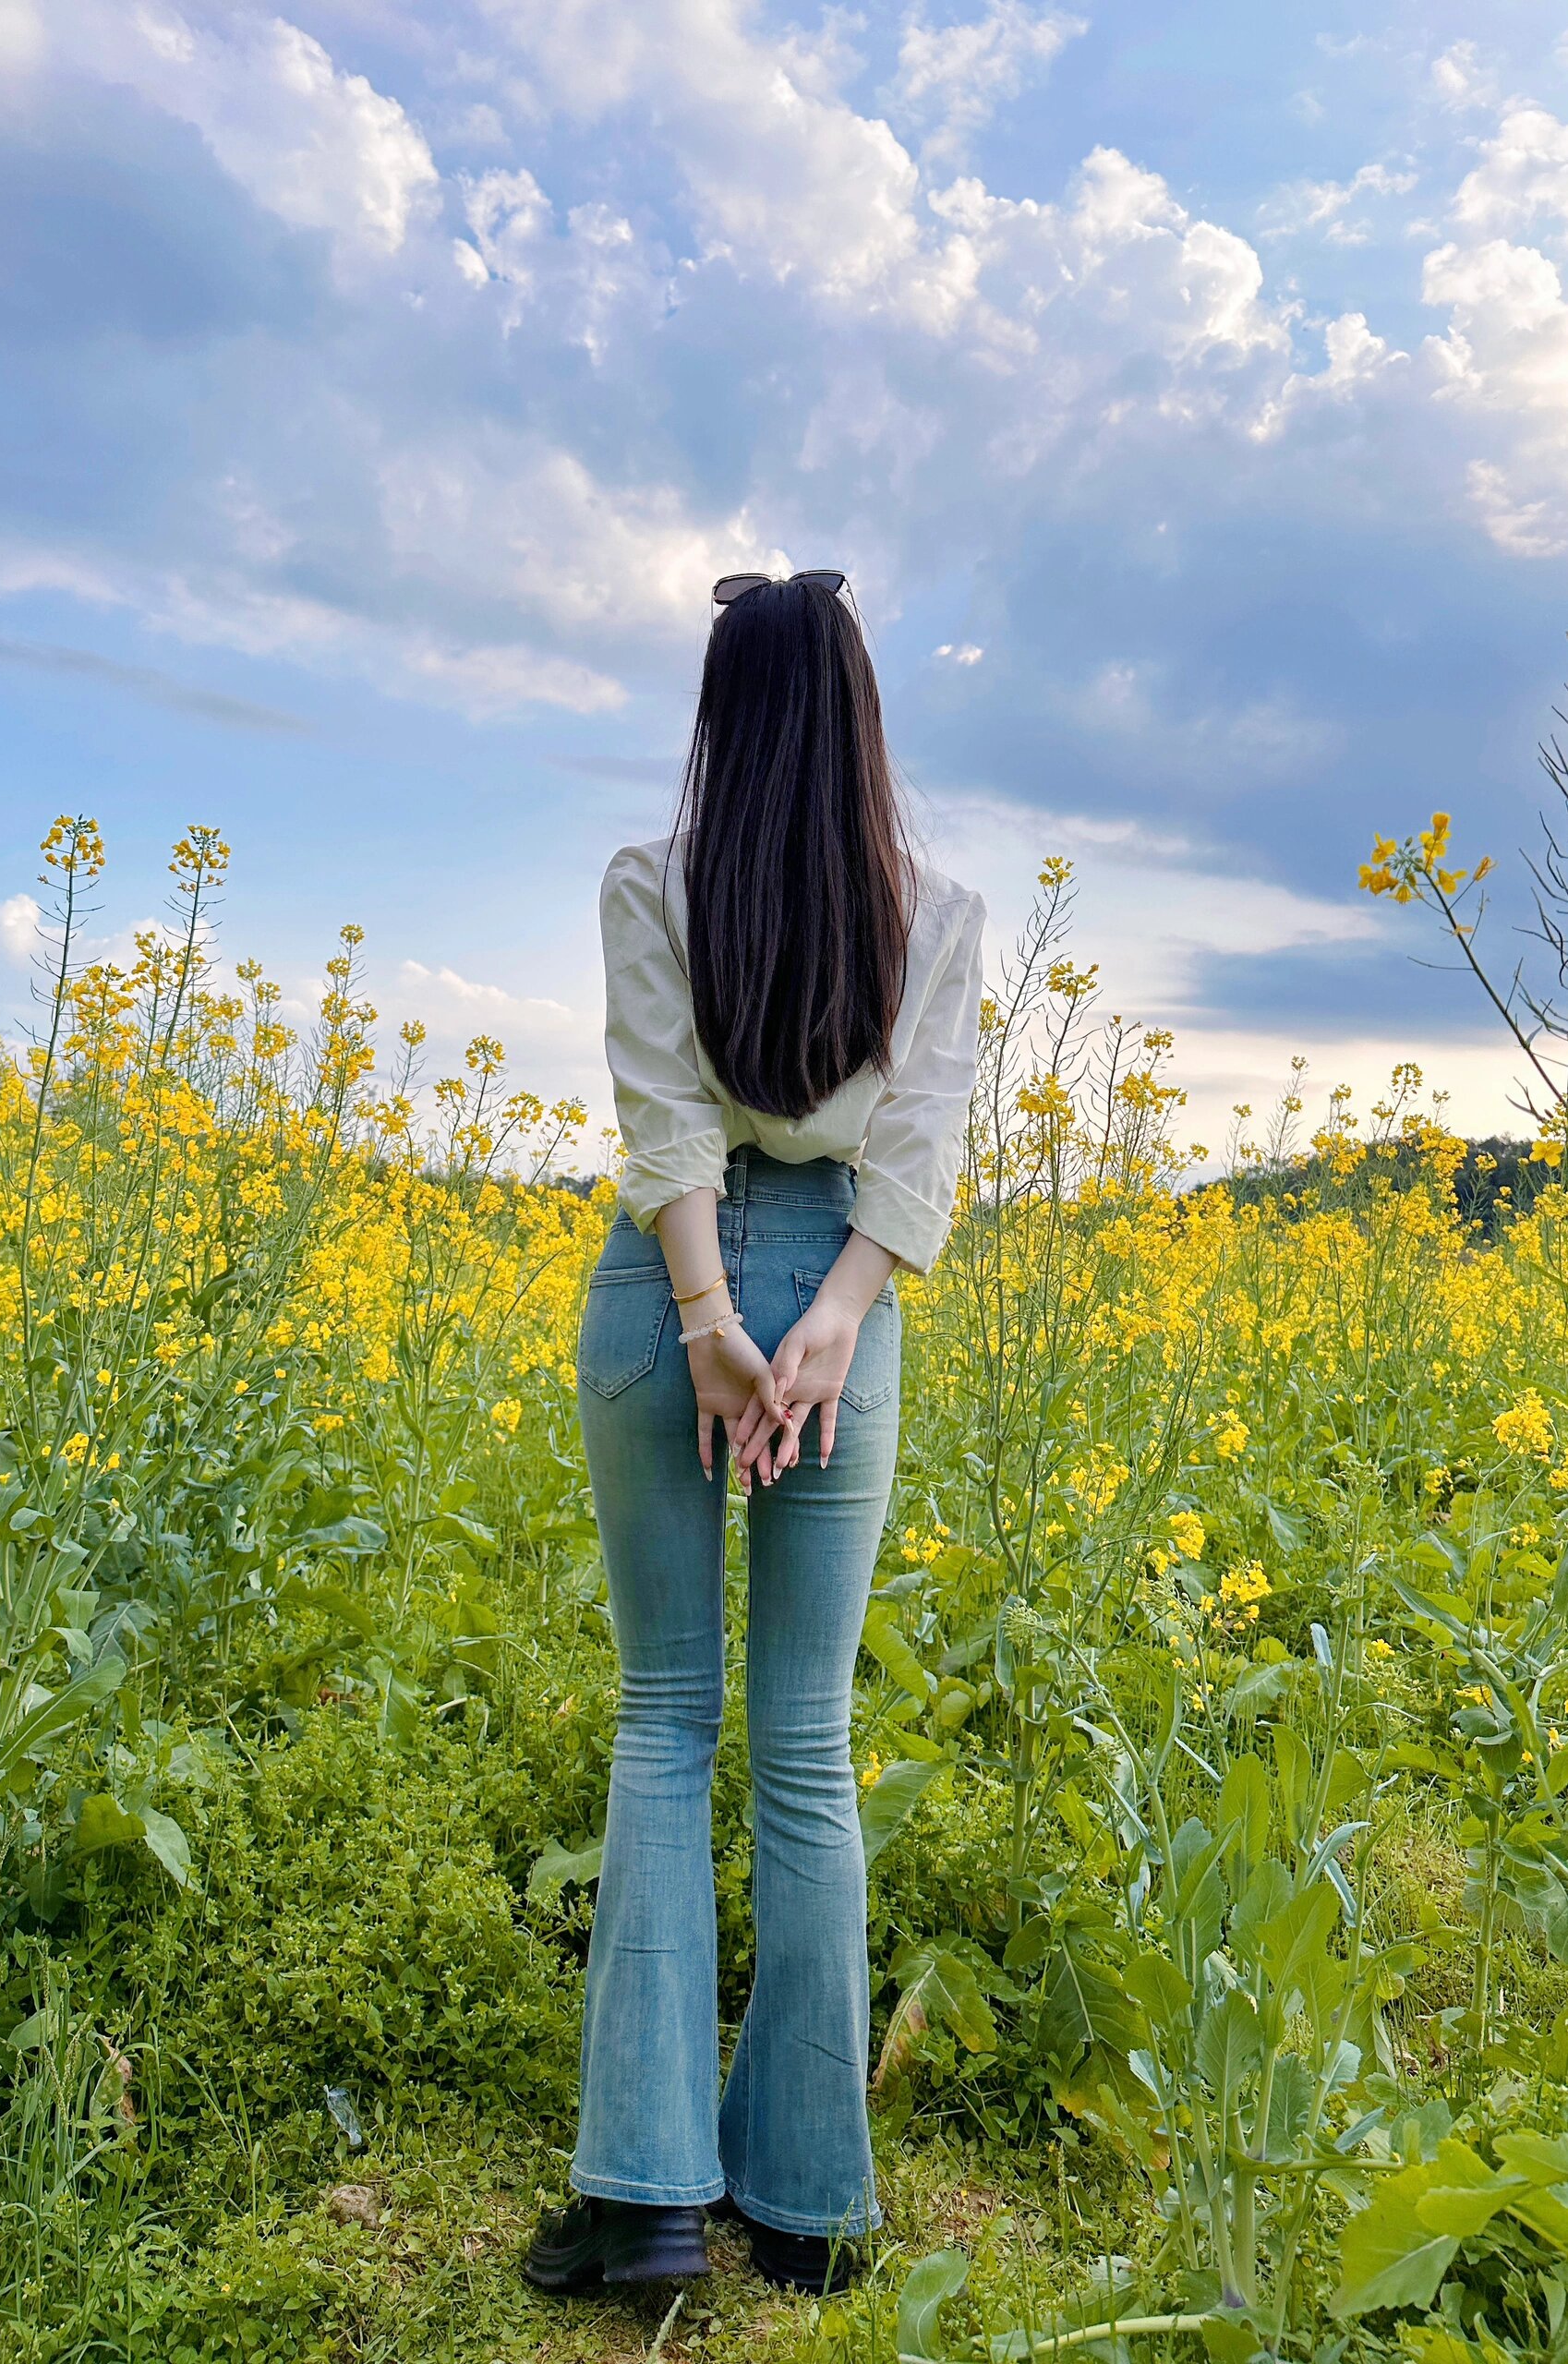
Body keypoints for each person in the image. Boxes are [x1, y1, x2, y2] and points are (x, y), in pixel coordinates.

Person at [524, 570, 985, 2301]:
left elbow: (661, 1119)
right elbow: (916, 1147)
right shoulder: (936, 912)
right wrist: (831, 1321)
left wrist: (715, 1326)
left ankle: (643, 2202)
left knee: (664, 1724)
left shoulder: (648, 884)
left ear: (718, 720)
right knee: (804, 1741)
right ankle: (803, 2211)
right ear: (863, 719)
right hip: (835, 1316)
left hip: (676, 1294)